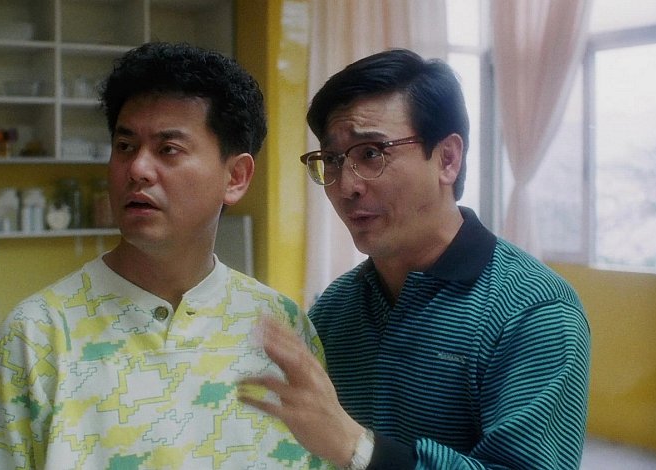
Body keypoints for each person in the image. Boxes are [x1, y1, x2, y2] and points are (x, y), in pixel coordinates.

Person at [0, 42, 332, 469]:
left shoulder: (283, 330)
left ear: (235, 177)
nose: (137, 168)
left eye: (168, 149)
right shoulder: (36, 337)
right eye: (125, 146)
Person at [239, 48, 591, 469]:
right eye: (332, 160)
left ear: (447, 159)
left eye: (371, 153)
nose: (346, 185)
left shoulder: (532, 311)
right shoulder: (337, 308)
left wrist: (357, 447)